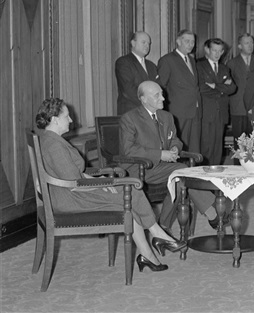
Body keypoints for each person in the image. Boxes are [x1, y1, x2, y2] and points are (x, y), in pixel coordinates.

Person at [37, 98, 185, 272]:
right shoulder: (54, 145)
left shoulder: (51, 139)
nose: (71, 120)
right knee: (131, 192)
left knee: (129, 196)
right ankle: (158, 234)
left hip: (68, 192)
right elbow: (73, 182)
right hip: (69, 198)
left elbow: (73, 176)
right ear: (55, 119)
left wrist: (99, 181)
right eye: (67, 116)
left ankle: (148, 253)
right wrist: (102, 184)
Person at [120, 81, 220, 229]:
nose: (163, 98)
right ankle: (213, 213)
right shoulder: (130, 119)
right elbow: (128, 150)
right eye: (157, 95)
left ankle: (163, 228)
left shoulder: (167, 117)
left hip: (164, 168)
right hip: (139, 168)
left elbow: (175, 140)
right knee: (181, 172)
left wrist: (174, 148)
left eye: (162, 93)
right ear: (143, 99)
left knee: (179, 181)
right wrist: (160, 154)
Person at [157, 30, 201, 152]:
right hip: (178, 112)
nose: (190, 44)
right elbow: (160, 86)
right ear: (178, 41)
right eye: (187, 41)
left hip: (195, 111)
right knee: (179, 148)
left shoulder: (192, 60)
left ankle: (192, 171)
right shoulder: (167, 60)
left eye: (193, 42)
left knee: (194, 148)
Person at [196, 38, 236, 165]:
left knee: (218, 148)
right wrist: (222, 87)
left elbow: (232, 88)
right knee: (206, 147)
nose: (217, 54)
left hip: (221, 113)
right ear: (207, 50)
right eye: (214, 50)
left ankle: (215, 175)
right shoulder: (199, 66)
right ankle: (204, 177)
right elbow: (202, 88)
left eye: (220, 51)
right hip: (206, 113)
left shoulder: (224, 68)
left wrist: (214, 85)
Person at [227, 34, 254, 140]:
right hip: (238, 108)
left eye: (252, 43)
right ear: (239, 46)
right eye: (246, 43)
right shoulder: (232, 63)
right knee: (240, 143)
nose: (250, 45)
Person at [115, 31, 158, 115]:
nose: (147, 46)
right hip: (131, 112)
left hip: (150, 113)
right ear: (133, 43)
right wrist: (149, 102)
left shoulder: (151, 66)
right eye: (143, 42)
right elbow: (128, 89)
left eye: (149, 43)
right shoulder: (123, 62)